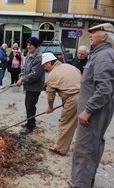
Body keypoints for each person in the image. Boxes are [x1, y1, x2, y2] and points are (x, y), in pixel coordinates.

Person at [70, 23, 114, 188]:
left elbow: (104, 89)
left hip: (92, 114)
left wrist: (88, 110)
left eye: (94, 32)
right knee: (92, 146)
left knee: (85, 149)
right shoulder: (102, 54)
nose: (90, 35)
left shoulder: (103, 56)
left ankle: (80, 184)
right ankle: (87, 181)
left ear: (104, 36)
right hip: (96, 111)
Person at [42, 52, 81, 156]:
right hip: (85, 96)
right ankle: (84, 147)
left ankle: (60, 149)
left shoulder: (53, 75)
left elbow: (50, 94)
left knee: (66, 123)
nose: (45, 68)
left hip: (73, 98)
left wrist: (50, 107)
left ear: (49, 63)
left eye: (44, 65)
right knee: (82, 122)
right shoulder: (70, 67)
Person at [17, 37, 45, 134]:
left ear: (36, 46)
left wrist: (23, 80)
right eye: (28, 45)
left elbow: (34, 75)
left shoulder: (39, 57)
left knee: (30, 105)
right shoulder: (29, 54)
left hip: (35, 86)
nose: (28, 47)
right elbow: (24, 68)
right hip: (28, 85)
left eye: (31, 45)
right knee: (28, 105)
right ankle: (31, 122)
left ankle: (30, 126)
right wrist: (21, 76)